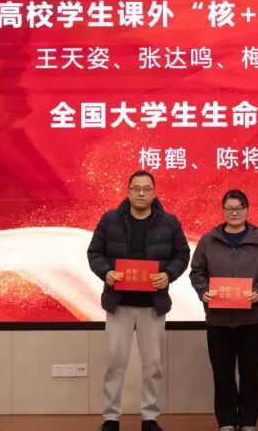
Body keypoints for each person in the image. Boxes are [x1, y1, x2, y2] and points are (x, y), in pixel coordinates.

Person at [86, 170, 190, 431]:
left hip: (153, 305)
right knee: (115, 362)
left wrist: (169, 275)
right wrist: (106, 272)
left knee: (153, 365)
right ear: (128, 191)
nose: (141, 193)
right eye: (136, 188)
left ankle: (150, 417)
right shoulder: (110, 220)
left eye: (146, 189)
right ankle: (111, 418)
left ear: (154, 193)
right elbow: (94, 253)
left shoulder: (169, 222)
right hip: (119, 303)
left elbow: (182, 254)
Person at [189, 189, 258, 431]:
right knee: (223, 373)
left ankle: (248, 420)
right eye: (229, 208)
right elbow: (197, 272)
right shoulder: (209, 240)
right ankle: (226, 421)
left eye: (239, 208)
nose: (234, 213)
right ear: (223, 210)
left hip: (252, 320)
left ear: (247, 209)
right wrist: (203, 291)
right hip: (218, 320)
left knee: (250, 373)